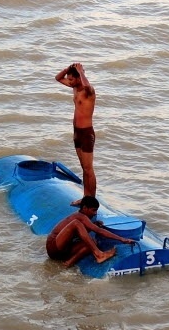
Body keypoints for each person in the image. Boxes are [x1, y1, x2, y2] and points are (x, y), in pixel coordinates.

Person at [46, 196, 136, 267]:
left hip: (63, 252)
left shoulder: (84, 218)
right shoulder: (79, 216)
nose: (95, 213)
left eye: (96, 210)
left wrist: (94, 224)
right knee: (76, 223)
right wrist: (122, 239)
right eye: (93, 210)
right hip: (54, 247)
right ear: (85, 208)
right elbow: (99, 231)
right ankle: (99, 255)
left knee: (93, 242)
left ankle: (69, 263)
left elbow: (80, 233)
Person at [56, 61, 97, 198]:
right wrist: (68, 68)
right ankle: (86, 197)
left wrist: (81, 72)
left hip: (86, 133)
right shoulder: (75, 88)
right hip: (77, 132)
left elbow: (87, 85)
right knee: (83, 169)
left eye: (72, 79)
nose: (69, 81)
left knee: (88, 169)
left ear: (79, 77)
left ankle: (91, 200)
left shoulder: (88, 91)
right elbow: (58, 78)